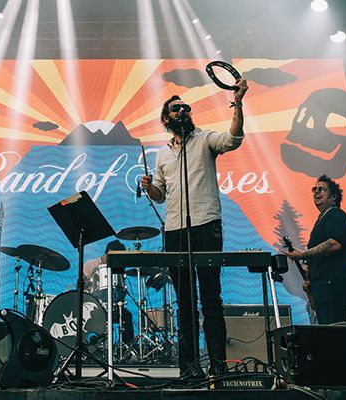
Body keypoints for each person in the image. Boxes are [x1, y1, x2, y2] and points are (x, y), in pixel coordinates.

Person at [140, 81, 248, 377]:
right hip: (175, 230)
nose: (183, 111)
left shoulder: (205, 138)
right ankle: (188, 369)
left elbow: (233, 138)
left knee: (211, 299)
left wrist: (237, 104)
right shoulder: (162, 155)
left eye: (186, 108)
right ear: (166, 118)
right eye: (176, 108)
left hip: (206, 225)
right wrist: (149, 187)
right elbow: (160, 195)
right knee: (185, 303)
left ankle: (218, 367)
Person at [282, 175, 346, 325]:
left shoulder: (336, 215)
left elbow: (334, 244)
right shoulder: (322, 219)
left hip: (334, 283)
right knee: (326, 329)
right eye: (314, 189)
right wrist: (310, 282)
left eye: (322, 189)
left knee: (334, 329)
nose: (316, 192)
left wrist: (302, 254)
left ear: (333, 196)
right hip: (323, 285)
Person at [83, 240, 135, 345]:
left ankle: (128, 347)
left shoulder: (117, 268)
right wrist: (91, 282)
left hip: (113, 306)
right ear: (109, 252)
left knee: (127, 316)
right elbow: (80, 286)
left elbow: (121, 291)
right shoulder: (90, 264)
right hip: (94, 306)